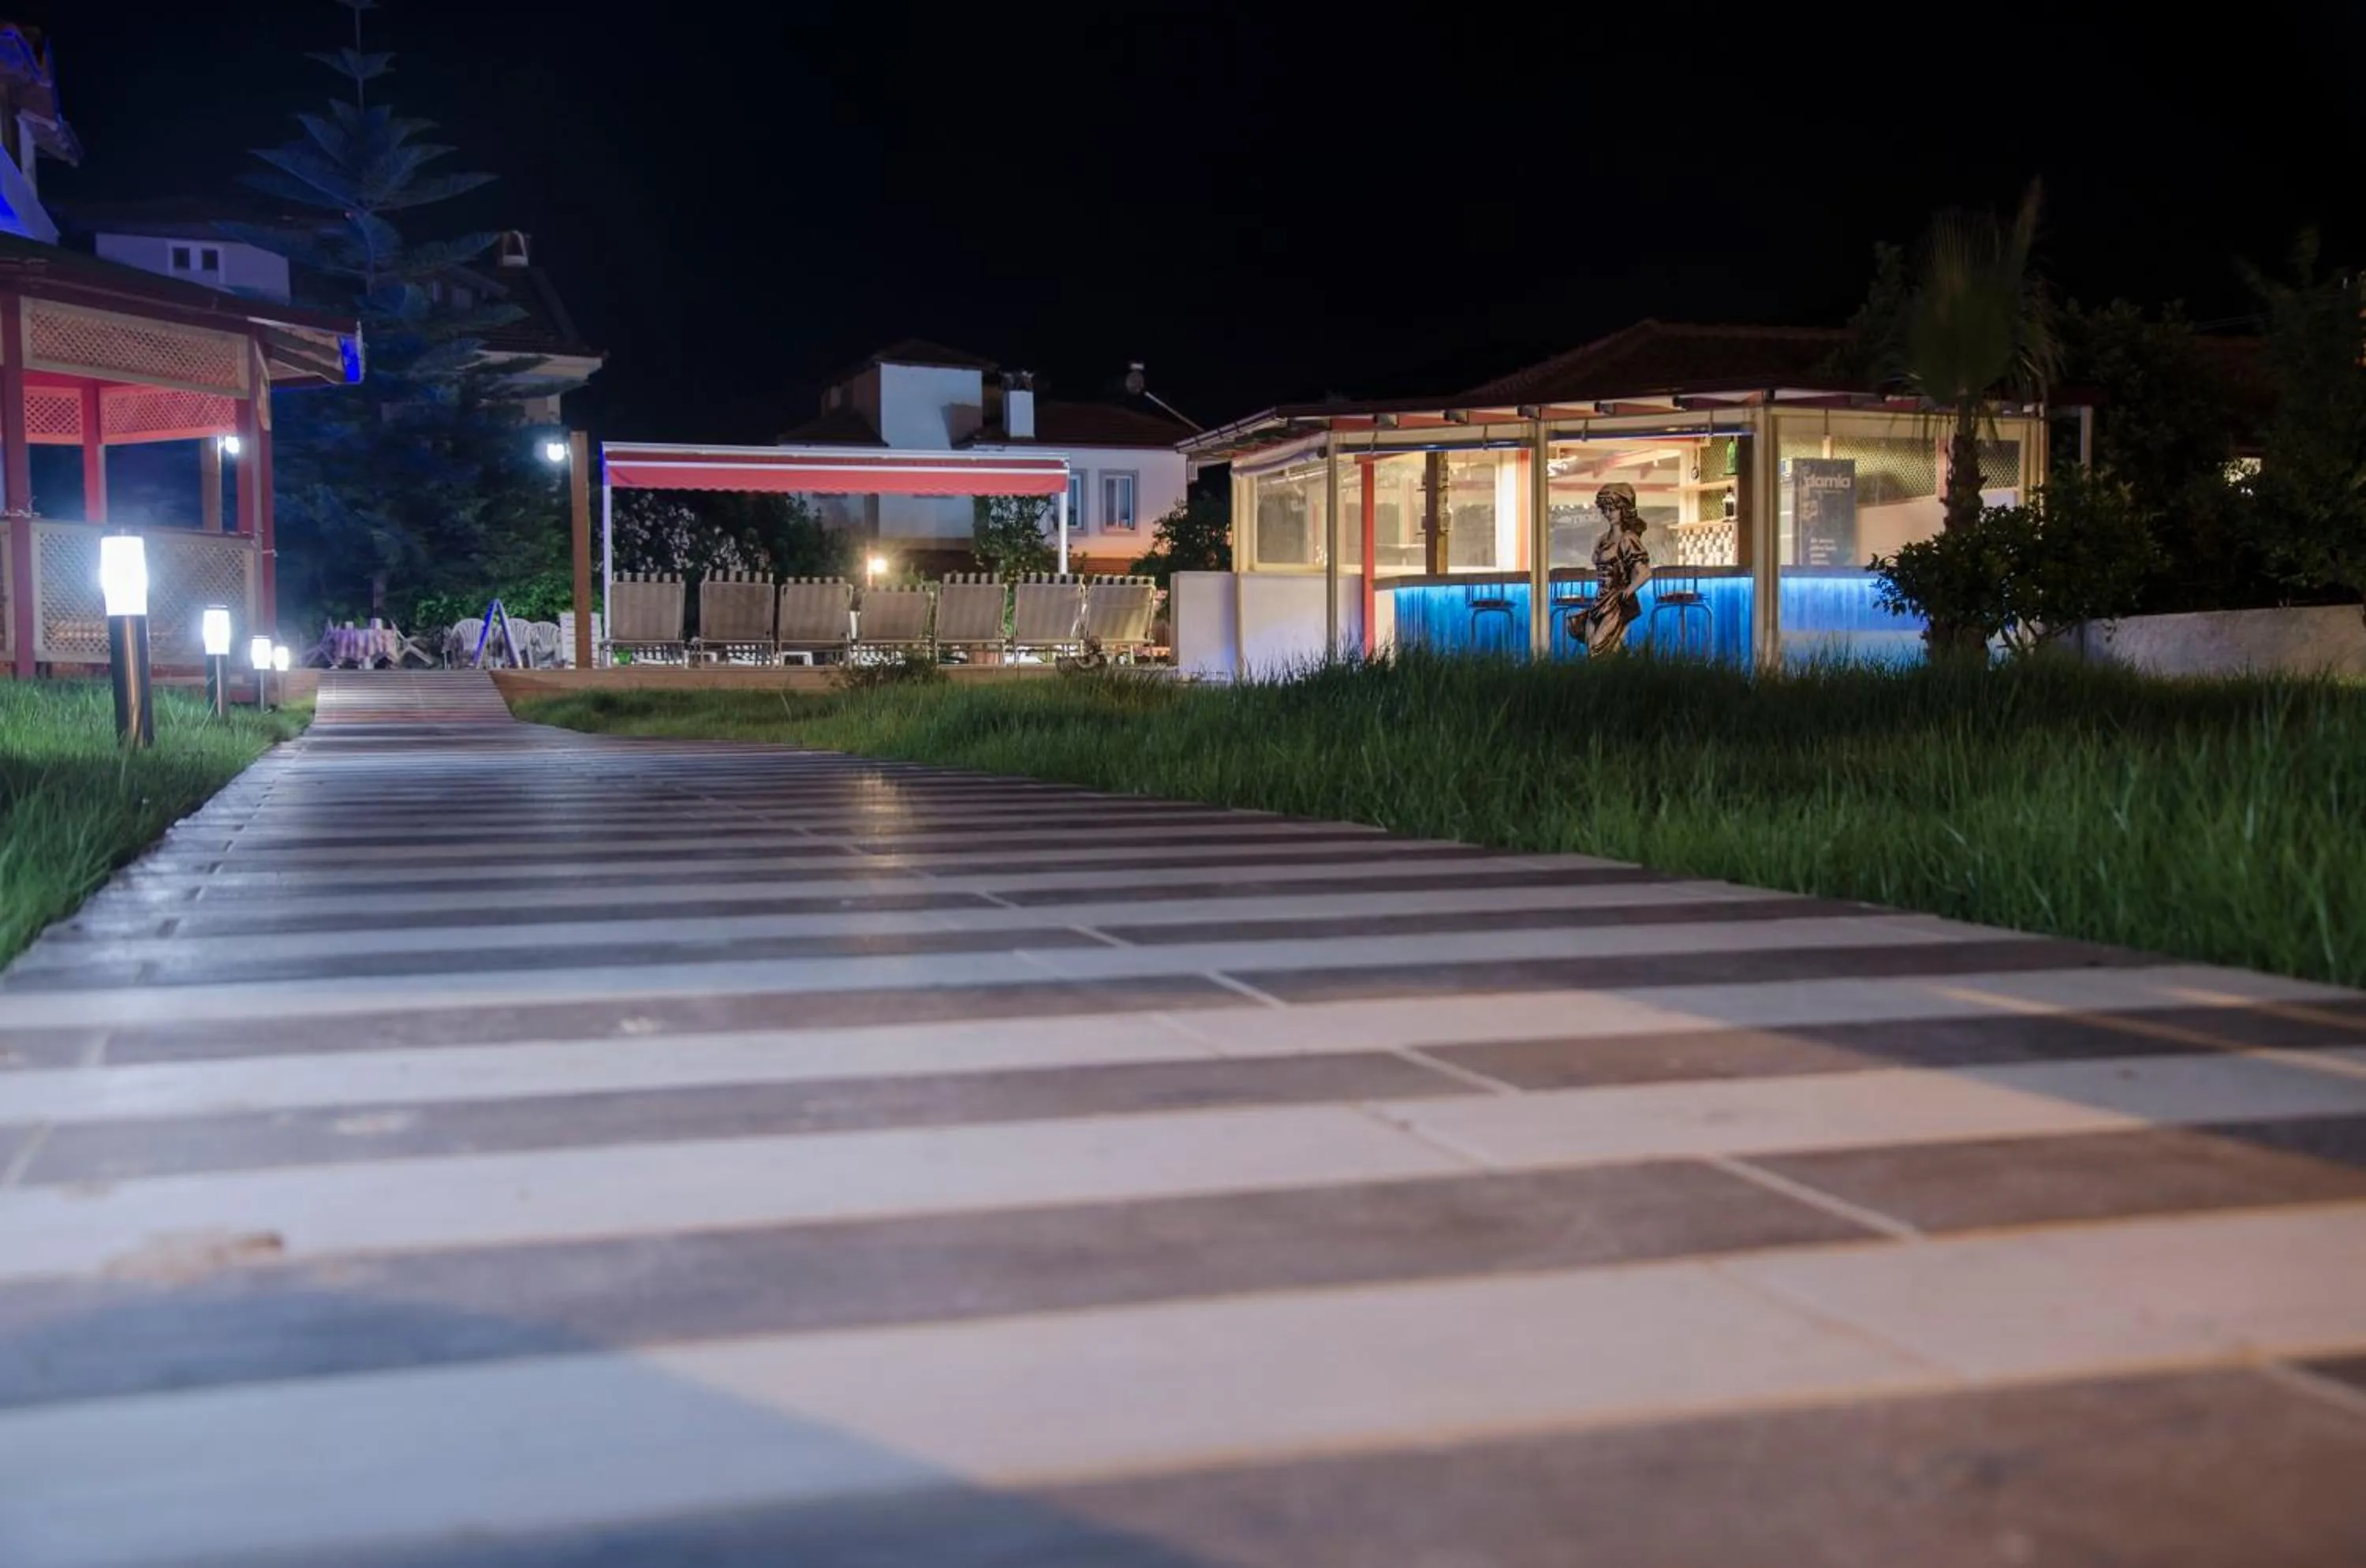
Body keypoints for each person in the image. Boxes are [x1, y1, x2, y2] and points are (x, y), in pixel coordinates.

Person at [1569, 483, 1653, 656]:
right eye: (1605, 509)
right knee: (1593, 645)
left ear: (1624, 509)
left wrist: (1627, 591)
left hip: (1616, 602)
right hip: (1600, 599)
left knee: (1599, 649)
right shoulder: (1602, 539)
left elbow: (1645, 572)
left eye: (1613, 509)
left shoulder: (1628, 539)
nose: (1608, 514)